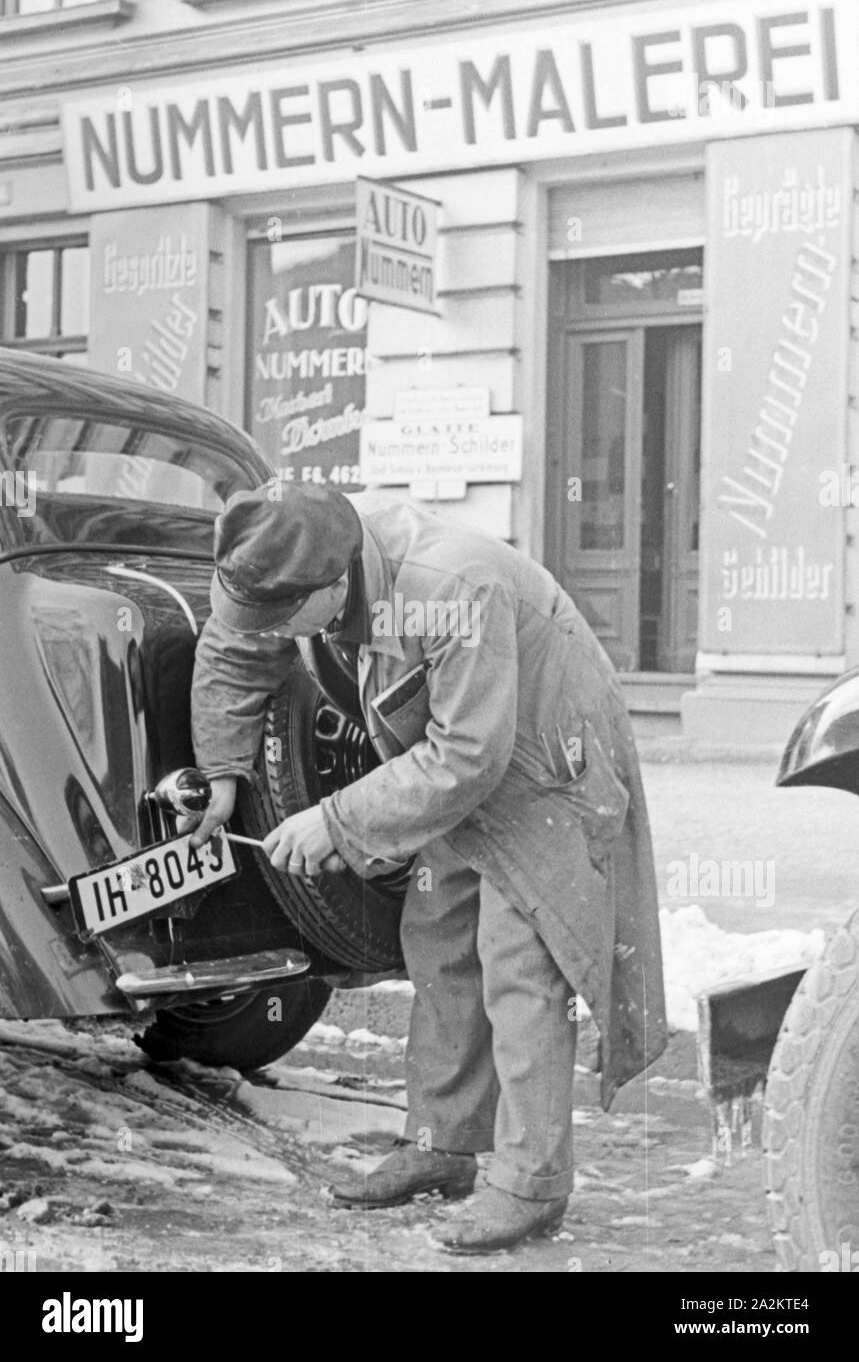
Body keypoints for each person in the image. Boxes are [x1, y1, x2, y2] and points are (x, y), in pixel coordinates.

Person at [184, 479, 667, 1254]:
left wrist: (336, 821)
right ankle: (442, 1143)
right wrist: (222, 774)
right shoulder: (275, 562)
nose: (268, 631)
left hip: (543, 756)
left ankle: (530, 1186)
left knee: (520, 965)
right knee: (439, 938)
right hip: (454, 747)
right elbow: (234, 649)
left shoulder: (450, 586)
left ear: (333, 587)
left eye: (283, 620)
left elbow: (473, 755)